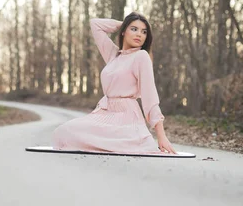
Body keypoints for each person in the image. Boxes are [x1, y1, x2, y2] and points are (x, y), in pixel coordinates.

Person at [52, 12, 177, 154]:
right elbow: (95, 24)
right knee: (62, 133)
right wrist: (123, 24)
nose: (139, 35)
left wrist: (161, 136)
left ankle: (129, 143)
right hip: (104, 114)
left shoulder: (141, 57)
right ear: (123, 32)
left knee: (72, 136)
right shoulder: (113, 55)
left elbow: (150, 98)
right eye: (134, 29)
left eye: (144, 32)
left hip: (127, 118)